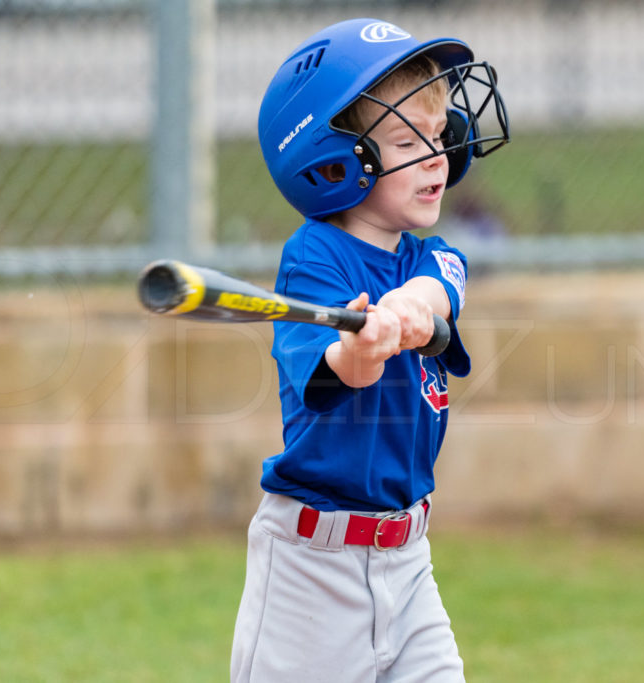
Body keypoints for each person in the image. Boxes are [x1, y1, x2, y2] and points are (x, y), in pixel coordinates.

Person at [230, 18, 509, 682]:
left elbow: (439, 287)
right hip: (310, 569)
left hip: (409, 563)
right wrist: (363, 351)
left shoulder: (432, 256)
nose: (438, 156)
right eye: (407, 140)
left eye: (439, 135)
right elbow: (332, 371)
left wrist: (409, 308)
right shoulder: (313, 261)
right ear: (334, 160)